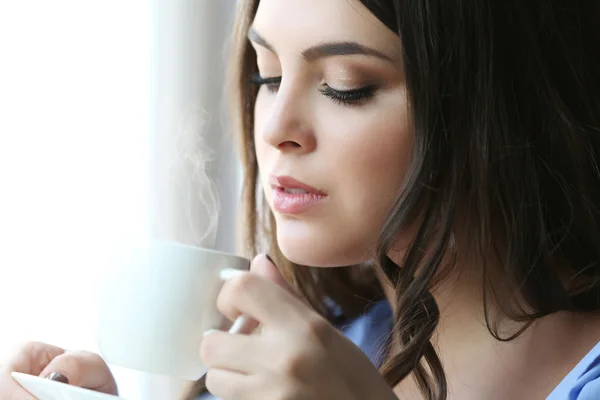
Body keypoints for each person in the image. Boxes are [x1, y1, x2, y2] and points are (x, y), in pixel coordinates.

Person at [2, 0, 600, 398]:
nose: (276, 126)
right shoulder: (284, 362)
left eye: (348, 88)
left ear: (497, 106)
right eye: (266, 76)